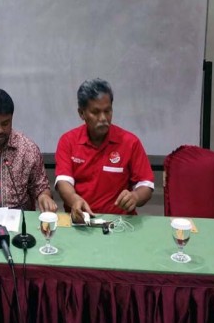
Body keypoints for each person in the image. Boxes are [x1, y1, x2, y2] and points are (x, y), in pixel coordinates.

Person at [55, 78, 154, 220]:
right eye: (95, 112)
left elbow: (146, 184)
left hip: (119, 223)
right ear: (81, 113)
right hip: (81, 220)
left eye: (107, 111)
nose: (103, 118)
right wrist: (74, 199)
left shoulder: (130, 142)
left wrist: (135, 196)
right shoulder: (68, 141)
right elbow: (63, 182)